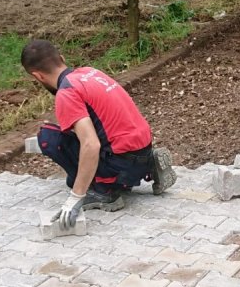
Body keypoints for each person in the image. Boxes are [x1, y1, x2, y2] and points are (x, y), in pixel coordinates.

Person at [20, 39, 175, 226]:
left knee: (48, 138)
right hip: (142, 148)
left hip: (122, 162)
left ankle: (103, 191)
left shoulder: (66, 92)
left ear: (38, 76)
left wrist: (75, 197)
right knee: (73, 169)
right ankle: (148, 164)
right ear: (62, 58)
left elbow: (91, 144)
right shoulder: (90, 73)